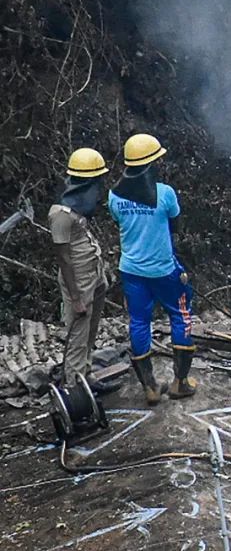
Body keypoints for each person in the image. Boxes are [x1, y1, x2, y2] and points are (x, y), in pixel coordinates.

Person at [108, 133, 196, 405]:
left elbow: (119, 222)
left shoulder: (113, 196)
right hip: (164, 271)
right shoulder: (165, 194)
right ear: (150, 164)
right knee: (181, 315)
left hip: (132, 272)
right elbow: (175, 226)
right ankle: (180, 382)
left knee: (138, 321)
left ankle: (150, 387)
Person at [49, 148, 120, 395]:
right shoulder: (60, 215)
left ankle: (86, 376)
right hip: (77, 281)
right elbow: (64, 258)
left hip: (93, 274)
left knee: (90, 331)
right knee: (78, 333)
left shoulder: (77, 208)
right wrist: (76, 297)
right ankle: (75, 388)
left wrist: (102, 273)